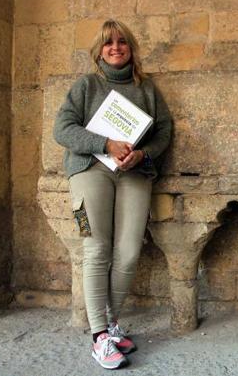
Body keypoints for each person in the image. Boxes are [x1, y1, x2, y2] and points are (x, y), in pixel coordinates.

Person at [53, 19, 172, 369]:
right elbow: (62, 129)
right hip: (89, 171)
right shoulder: (86, 85)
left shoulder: (147, 89)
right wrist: (104, 143)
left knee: (130, 249)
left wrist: (144, 153)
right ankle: (98, 336)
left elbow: (164, 130)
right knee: (95, 245)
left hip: (134, 172)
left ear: (131, 48)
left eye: (122, 42)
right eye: (108, 43)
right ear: (99, 51)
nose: (115, 47)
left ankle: (112, 323)